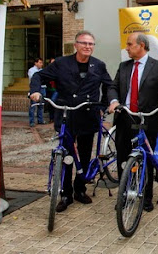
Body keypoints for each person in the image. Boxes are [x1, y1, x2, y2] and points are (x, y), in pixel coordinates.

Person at [30, 31, 112, 212]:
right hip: (66, 115)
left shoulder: (98, 65)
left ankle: (79, 190)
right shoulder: (61, 63)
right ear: (75, 45)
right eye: (84, 43)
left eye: (91, 44)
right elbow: (39, 76)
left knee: (83, 154)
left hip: (88, 115)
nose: (88, 47)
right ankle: (65, 194)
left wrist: (104, 105)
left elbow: (109, 86)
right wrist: (35, 91)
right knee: (66, 156)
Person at [107, 32, 158, 212]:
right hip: (125, 117)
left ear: (141, 45)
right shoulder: (124, 66)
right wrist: (114, 101)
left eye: (130, 44)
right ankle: (124, 194)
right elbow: (113, 87)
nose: (126, 48)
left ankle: (146, 197)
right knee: (123, 158)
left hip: (149, 119)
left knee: (147, 159)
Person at [28, 58, 44, 127]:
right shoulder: (31, 70)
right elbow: (33, 79)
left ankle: (40, 120)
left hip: (43, 88)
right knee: (33, 105)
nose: (41, 64)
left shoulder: (42, 70)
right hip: (35, 89)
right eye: (40, 62)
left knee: (41, 105)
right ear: (36, 63)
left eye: (41, 63)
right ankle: (32, 121)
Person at [45, 58, 58, 123]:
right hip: (49, 89)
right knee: (50, 104)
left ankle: (55, 118)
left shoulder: (59, 70)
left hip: (56, 89)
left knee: (54, 102)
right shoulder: (48, 71)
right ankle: (51, 118)